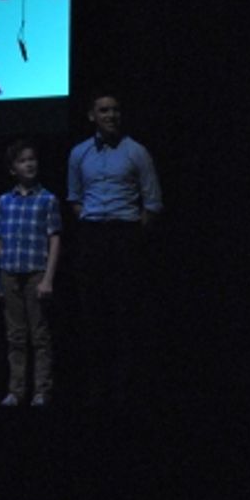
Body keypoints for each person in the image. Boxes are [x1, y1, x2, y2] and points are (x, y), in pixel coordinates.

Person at [66, 91, 164, 406]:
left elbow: (152, 202)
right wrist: (95, 225)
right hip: (93, 235)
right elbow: (75, 198)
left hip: (125, 236)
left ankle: (124, 391)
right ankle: (96, 389)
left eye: (115, 110)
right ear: (92, 115)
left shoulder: (137, 152)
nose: (111, 115)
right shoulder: (79, 153)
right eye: (104, 110)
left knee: (125, 314)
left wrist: (131, 233)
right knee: (93, 315)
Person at [0, 140, 62, 407]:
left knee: (40, 335)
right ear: (12, 169)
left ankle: (42, 390)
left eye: (32, 159)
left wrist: (48, 278)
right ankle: (16, 391)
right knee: (15, 336)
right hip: (9, 273)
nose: (29, 164)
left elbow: (54, 239)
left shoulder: (48, 199)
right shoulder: (4, 201)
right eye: (22, 160)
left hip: (35, 273)